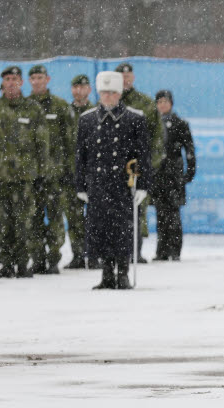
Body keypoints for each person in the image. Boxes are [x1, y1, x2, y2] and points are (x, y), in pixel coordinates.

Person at [75, 71, 152, 289]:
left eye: (112, 93)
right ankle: (107, 274)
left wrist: (143, 185)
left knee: (123, 231)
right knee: (100, 230)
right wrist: (81, 184)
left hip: (122, 184)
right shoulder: (87, 119)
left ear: (119, 94)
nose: (107, 97)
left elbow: (143, 154)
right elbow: (81, 155)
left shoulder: (134, 119)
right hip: (98, 183)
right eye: (104, 92)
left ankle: (123, 273)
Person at [0, 65, 48, 278]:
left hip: (25, 178)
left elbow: (43, 144)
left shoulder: (32, 109)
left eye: (15, 79)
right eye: (7, 78)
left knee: (24, 222)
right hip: (1, 177)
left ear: (21, 82)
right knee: (3, 223)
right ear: (2, 83)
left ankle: (22, 263)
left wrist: (41, 174)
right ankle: (6, 263)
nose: (11, 82)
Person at [27, 65, 73, 274]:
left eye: (40, 77)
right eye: (33, 78)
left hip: (55, 175)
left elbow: (70, 141)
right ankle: (37, 258)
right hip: (30, 175)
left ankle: (53, 258)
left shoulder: (60, 106)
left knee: (55, 218)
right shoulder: (24, 107)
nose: (37, 81)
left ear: (48, 79)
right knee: (33, 218)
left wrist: (70, 171)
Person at [115, 63, 163, 263]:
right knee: (114, 213)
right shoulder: (109, 102)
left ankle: (135, 252)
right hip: (113, 168)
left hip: (136, 169)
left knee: (137, 213)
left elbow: (157, 138)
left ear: (133, 77)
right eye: (121, 76)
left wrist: (146, 166)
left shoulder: (145, 103)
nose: (125, 79)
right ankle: (114, 253)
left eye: (128, 75)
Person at [151, 90, 196, 261]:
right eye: (159, 101)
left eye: (165, 101)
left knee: (173, 213)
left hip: (174, 175)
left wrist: (189, 173)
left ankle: (175, 250)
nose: (162, 105)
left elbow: (189, 149)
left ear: (171, 103)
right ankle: (161, 250)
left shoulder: (180, 123)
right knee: (160, 214)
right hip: (158, 175)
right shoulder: (153, 124)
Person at [67, 74, 96, 269]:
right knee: (74, 216)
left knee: (96, 217)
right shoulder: (65, 112)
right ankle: (78, 255)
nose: (80, 91)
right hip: (71, 172)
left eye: (83, 87)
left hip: (94, 172)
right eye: (76, 87)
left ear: (89, 90)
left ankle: (95, 256)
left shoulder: (97, 112)